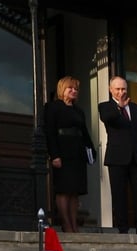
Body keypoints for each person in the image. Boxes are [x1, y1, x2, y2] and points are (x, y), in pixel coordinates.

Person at [98, 76, 137, 233]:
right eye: (117, 89)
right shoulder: (105, 106)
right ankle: (122, 227)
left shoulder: (135, 108)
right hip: (117, 157)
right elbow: (107, 119)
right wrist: (119, 108)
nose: (121, 92)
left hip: (136, 157)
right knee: (119, 193)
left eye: (123, 89)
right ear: (110, 90)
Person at [44, 76, 95, 233]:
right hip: (62, 152)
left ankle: (74, 224)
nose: (74, 91)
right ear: (62, 90)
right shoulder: (52, 107)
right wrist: (54, 155)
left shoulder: (78, 110)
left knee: (75, 191)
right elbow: (50, 132)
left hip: (77, 152)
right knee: (63, 189)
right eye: (70, 88)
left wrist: (91, 150)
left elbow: (84, 132)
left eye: (76, 89)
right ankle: (66, 224)